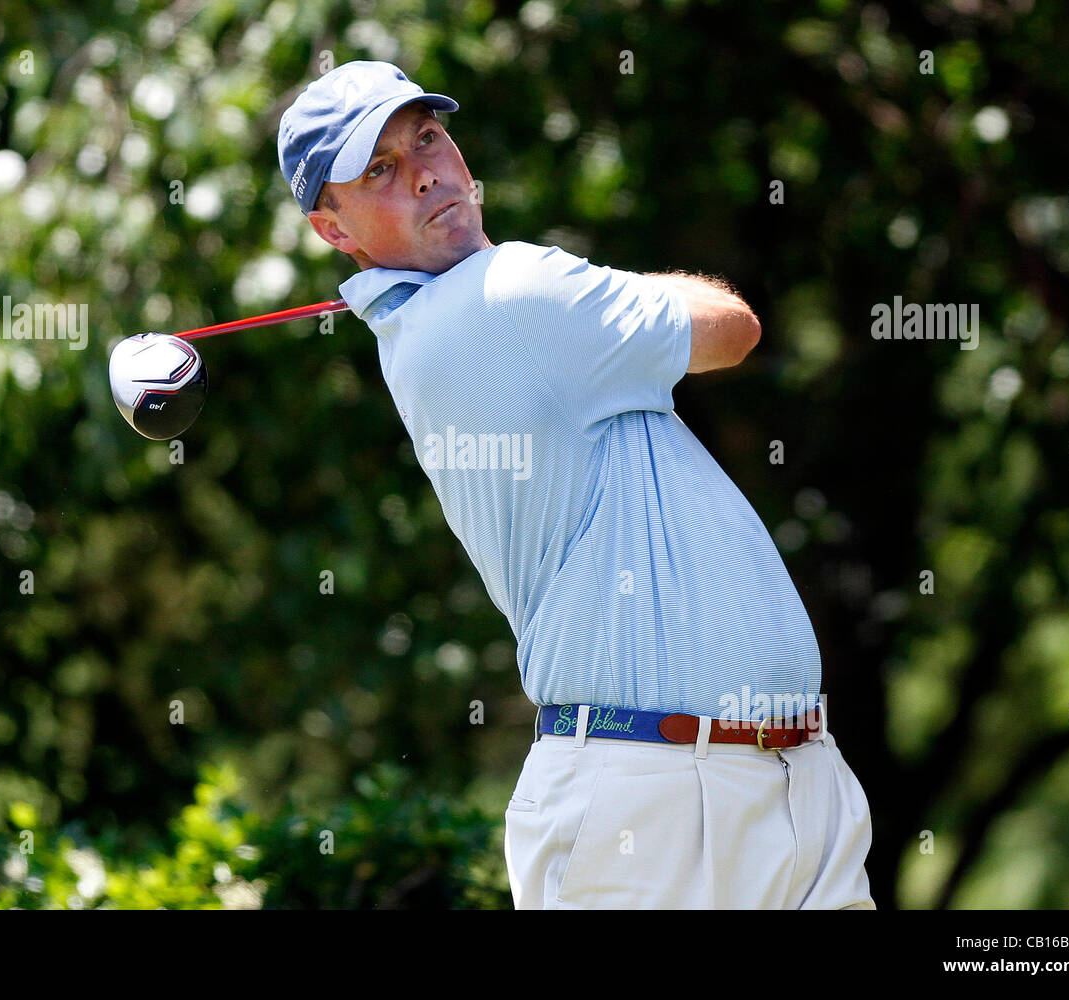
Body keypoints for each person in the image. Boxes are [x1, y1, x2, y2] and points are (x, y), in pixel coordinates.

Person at [277, 60, 875, 909]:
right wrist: (598, 292)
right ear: (333, 231)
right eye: (378, 170)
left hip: (789, 784)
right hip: (655, 802)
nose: (424, 172)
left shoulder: (490, 308)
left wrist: (592, 303)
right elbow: (732, 329)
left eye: (426, 137)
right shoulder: (510, 290)